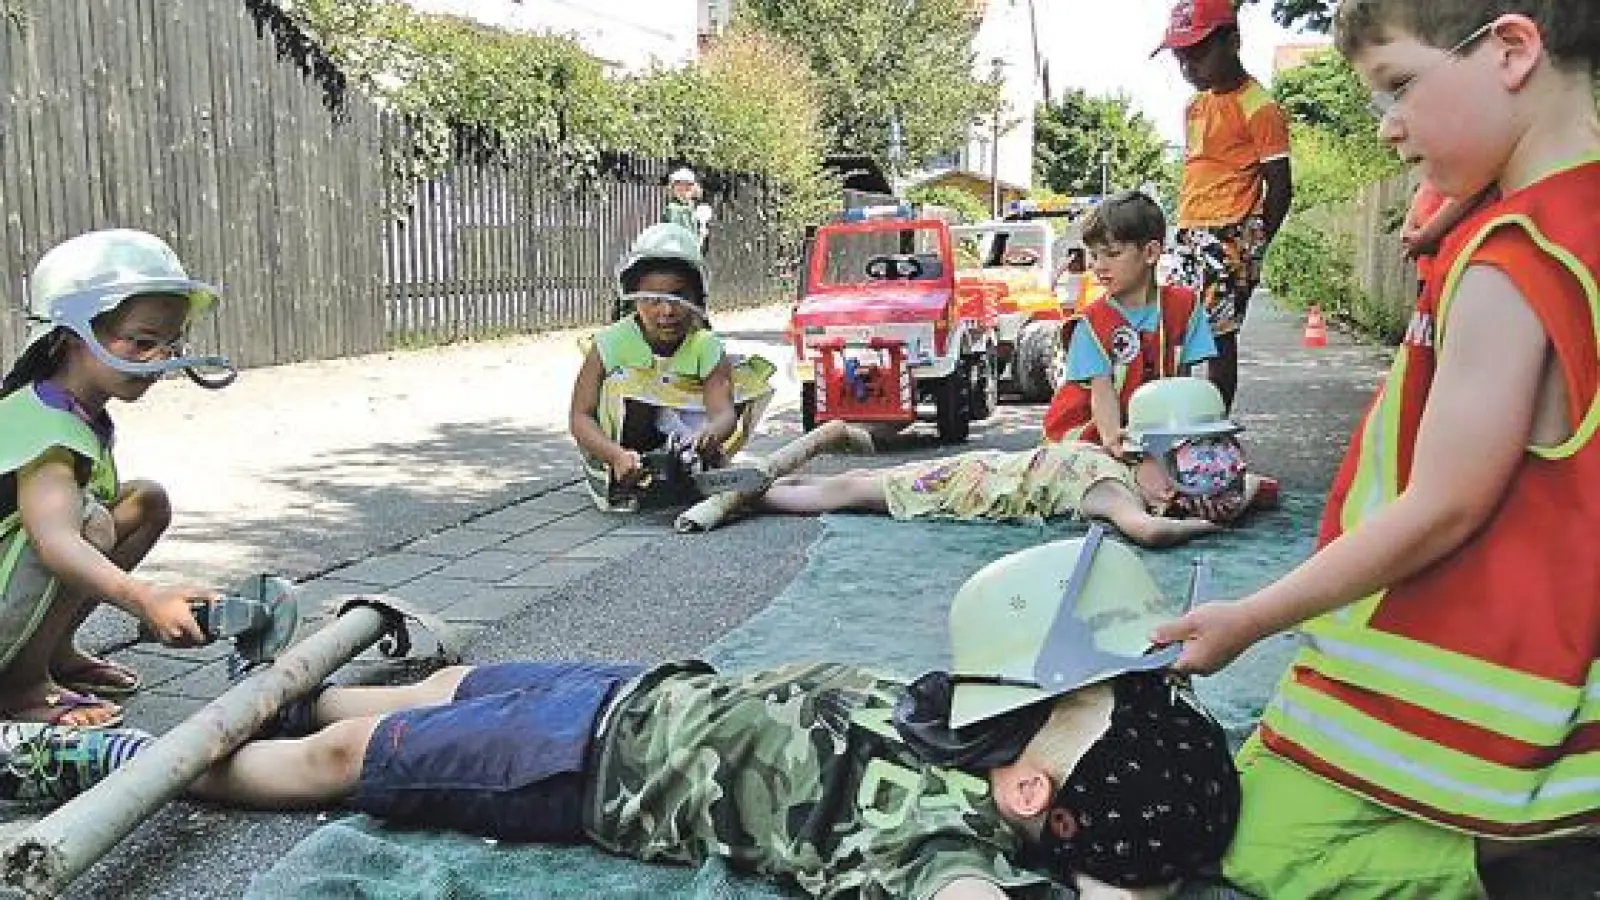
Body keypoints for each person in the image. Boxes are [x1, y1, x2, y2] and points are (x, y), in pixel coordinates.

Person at [0, 537, 1241, 899]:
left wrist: (1117, 888)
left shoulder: (937, 845)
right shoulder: (977, 729)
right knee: (407, 691)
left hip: (570, 773)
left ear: (1037, 792)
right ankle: (265, 679)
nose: (1045, 688)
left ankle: (109, 765)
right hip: (632, 691)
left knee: (338, 759)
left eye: (1067, 708)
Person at [1150, 3, 1600, 896]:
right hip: (1560, 657)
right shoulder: (1555, 220)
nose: (1389, 126)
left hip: (1467, 665)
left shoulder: (1513, 261)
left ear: (1512, 50)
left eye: (1398, 86)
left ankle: (1534, 866)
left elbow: (1445, 505)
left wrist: (1251, 618)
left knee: (1262, 844)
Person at [0, 229, 219, 728]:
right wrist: (145, 598)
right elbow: (52, 541)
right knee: (85, 525)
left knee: (146, 502)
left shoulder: (67, 406)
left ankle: (51, 651)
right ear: (71, 334)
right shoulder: (47, 429)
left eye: (171, 342)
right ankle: (19, 685)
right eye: (142, 342)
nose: (162, 358)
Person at [762, 378, 1277, 549]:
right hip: (976, 484)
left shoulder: (1138, 479)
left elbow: (1257, 484)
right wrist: (1209, 525)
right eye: (1184, 466)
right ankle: (762, 492)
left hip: (996, 472)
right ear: (1139, 454)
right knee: (857, 488)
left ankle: (762, 487)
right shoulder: (1111, 490)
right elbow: (1148, 532)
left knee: (860, 483)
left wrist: (1240, 495)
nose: (1195, 482)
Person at [570, 223, 773, 512]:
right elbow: (580, 417)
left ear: (696, 299)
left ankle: (690, 469)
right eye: (653, 300)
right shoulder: (609, 344)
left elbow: (723, 411)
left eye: (678, 297)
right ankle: (632, 472)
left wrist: (712, 434)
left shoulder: (706, 345)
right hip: (622, 452)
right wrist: (614, 455)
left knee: (740, 378)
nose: (667, 311)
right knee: (628, 381)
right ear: (634, 298)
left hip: (688, 449)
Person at [1154, 0, 1293, 413]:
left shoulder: (1259, 106)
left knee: (1217, 335)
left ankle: (1213, 427)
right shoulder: (1195, 107)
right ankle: (1175, 416)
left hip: (1231, 231)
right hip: (1189, 228)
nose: (1188, 69)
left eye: (1197, 54)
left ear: (1232, 42)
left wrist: (1253, 240)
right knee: (1175, 326)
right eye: (1181, 59)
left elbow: (1280, 187)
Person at [1042, 191, 1217, 451]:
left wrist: (1178, 436)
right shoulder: (1090, 324)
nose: (1098, 266)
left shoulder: (1185, 306)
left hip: (1147, 429)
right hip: (1087, 434)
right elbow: (1102, 394)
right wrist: (1115, 445)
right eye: (1095, 255)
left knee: (1214, 471)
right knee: (1123, 480)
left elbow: (1181, 379)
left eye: (1112, 254)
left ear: (1150, 253)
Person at [1400, 178, 1487, 299]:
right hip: (1427, 274)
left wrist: (1425, 236)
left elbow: (1470, 191)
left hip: (1455, 271)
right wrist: (1408, 230)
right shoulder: (1430, 176)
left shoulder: (1468, 173)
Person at [662, 167, 712, 249]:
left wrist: (701, 232)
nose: (683, 192)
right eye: (679, 189)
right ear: (673, 189)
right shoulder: (673, 209)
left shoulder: (692, 207)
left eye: (687, 188)